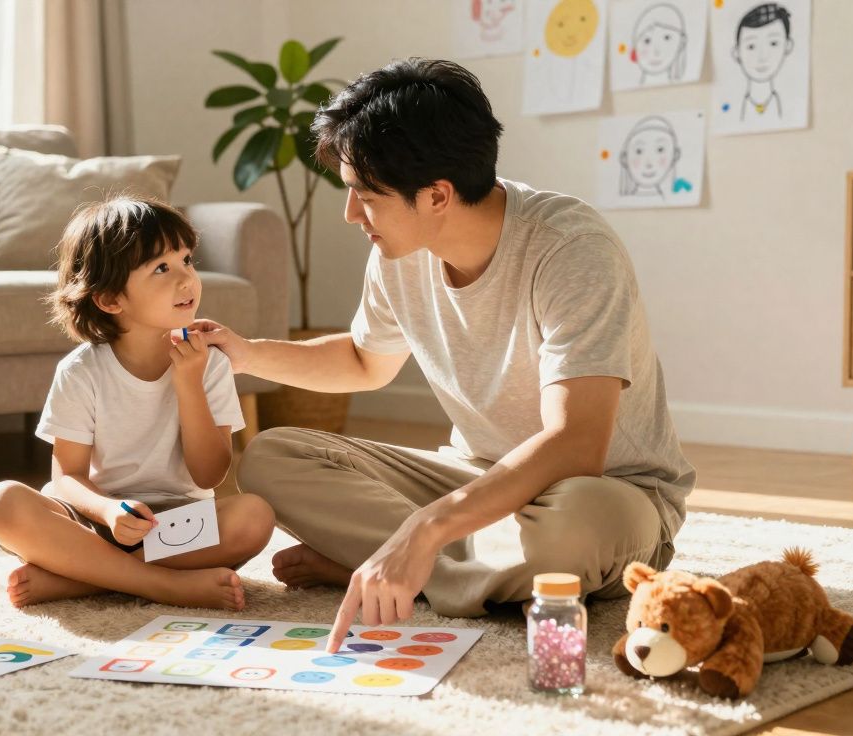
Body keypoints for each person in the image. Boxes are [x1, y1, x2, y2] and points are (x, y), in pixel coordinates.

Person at [195, 59, 695, 652]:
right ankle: (446, 568)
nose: (351, 214)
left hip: (606, 490)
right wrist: (246, 354)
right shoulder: (396, 252)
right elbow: (363, 360)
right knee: (271, 457)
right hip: (475, 477)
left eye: (365, 196)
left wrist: (426, 528)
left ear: (437, 195)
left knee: (569, 532)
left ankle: (407, 564)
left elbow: (577, 444)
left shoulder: (571, 249)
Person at [0, 194, 274, 610]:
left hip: (176, 528)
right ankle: (163, 585)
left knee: (255, 516)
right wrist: (108, 510)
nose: (186, 279)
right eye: (161, 268)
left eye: (187, 260)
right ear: (110, 299)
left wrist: (188, 383)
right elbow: (66, 478)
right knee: (1, 503)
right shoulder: (81, 371)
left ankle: (83, 578)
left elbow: (209, 475)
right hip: (96, 519)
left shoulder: (209, 365)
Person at [732, 2, 794, 120]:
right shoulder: (735, 109)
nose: (762, 56)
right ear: (736, 52)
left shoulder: (790, 104)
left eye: (773, 43)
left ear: (788, 46)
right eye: (751, 46)